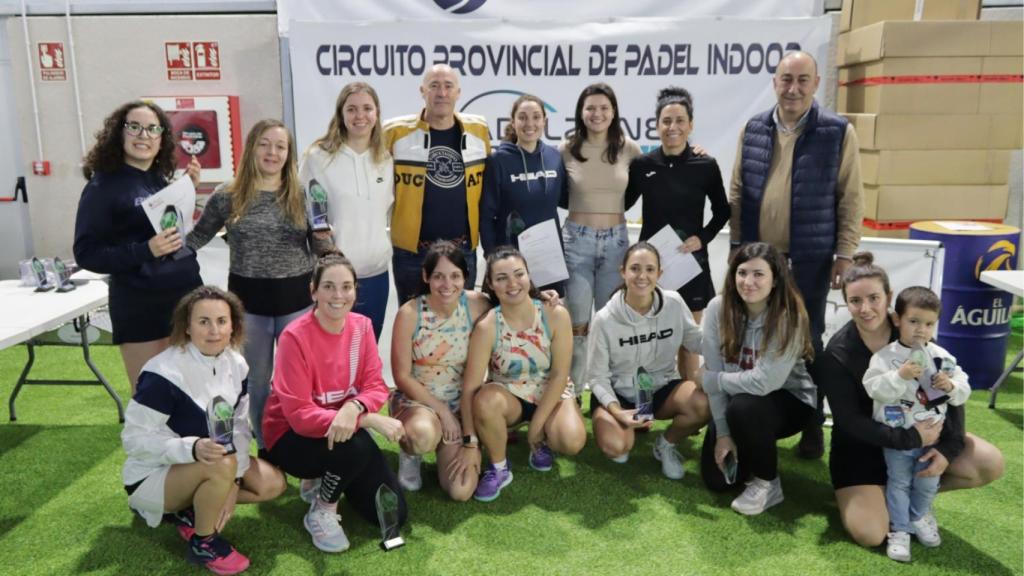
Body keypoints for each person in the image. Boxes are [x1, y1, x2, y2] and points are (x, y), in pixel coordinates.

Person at [728, 50, 864, 458]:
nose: (793, 88)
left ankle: (811, 422)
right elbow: (737, 191)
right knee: (752, 335)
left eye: (802, 80)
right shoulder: (753, 128)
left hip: (810, 258)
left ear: (816, 83)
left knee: (809, 342)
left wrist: (845, 253)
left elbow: (851, 197)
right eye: (786, 79)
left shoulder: (838, 132)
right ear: (774, 82)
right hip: (758, 258)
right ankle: (750, 411)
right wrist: (737, 248)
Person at [818, 252, 1004, 550]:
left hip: (920, 443)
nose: (865, 309)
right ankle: (885, 498)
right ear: (846, 303)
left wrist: (946, 449)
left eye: (874, 298)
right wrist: (906, 437)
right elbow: (849, 421)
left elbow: (948, 394)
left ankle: (912, 503)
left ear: (889, 297)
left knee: (988, 463)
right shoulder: (837, 353)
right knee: (870, 534)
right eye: (855, 301)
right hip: (863, 451)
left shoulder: (914, 333)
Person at [121, 286, 286, 575]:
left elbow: (238, 428)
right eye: (203, 322)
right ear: (187, 326)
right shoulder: (163, 373)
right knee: (221, 463)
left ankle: (189, 512)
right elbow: (134, 440)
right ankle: (203, 541)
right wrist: (192, 448)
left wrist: (234, 485)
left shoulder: (237, 364)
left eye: (222, 321)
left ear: (233, 324)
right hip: (152, 475)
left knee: (272, 484)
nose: (214, 331)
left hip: (208, 465)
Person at [188, 119, 328, 449]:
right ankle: (268, 446)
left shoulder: (302, 194)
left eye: (280, 146)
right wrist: (159, 254)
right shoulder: (228, 195)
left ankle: (305, 442)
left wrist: (331, 247)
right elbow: (197, 236)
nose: (272, 152)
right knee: (257, 382)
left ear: (289, 154)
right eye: (265, 144)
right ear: (252, 148)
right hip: (249, 306)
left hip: (298, 303)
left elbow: (319, 243)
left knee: (301, 380)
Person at [260, 250, 406, 554]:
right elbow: (299, 415)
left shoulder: (362, 327)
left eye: (346, 287)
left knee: (394, 514)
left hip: (342, 429)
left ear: (355, 290)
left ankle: (332, 475)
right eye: (328, 286)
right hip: (291, 437)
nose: (338, 295)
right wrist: (366, 419)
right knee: (356, 446)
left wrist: (353, 408)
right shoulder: (294, 337)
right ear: (313, 291)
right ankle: (322, 509)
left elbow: (375, 385)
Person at [74, 100, 202, 391]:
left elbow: (172, 231)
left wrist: (186, 189)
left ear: (162, 139)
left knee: (193, 394)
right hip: (141, 305)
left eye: (152, 129)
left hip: (184, 298)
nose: (143, 135)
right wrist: (146, 250)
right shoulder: (102, 188)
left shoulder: (158, 181)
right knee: (152, 399)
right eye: (134, 127)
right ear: (119, 134)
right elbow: (86, 253)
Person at [699, 242, 816, 515]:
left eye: (758, 274)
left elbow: (765, 383)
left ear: (775, 280)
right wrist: (724, 434)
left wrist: (713, 380)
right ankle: (747, 447)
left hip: (790, 402)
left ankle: (768, 482)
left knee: (745, 406)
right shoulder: (718, 308)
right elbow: (714, 371)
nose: (748, 282)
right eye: (742, 273)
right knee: (718, 481)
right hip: (737, 398)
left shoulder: (789, 315)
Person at [461, 247, 586, 502]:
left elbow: (561, 373)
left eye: (519, 274)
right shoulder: (487, 326)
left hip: (551, 390)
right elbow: (471, 388)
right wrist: (470, 441)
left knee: (572, 440)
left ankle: (540, 442)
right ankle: (499, 468)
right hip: (510, 395)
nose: (512, 283)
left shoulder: (555, 313)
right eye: (502, 278)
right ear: (491, 285)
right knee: (485, 399)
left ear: (529, 276)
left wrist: (537, 427)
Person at [625, 86, 729, 380]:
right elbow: (622, 203)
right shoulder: (642, 165)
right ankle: (644, 406)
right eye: (666, 121)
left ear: (690, 125)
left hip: (690, 264)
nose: (673, 127)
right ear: (656, 126)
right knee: (645, 339)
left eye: (680, 121)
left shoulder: (705, 165)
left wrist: (703, 237)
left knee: (689, 341)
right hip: (651, 267)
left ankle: (688, 403)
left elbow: (723, 210)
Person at [862, 286, 971, 562]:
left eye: (929, 323)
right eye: (913, 321)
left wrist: (951, 386)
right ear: (897, 320)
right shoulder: (885, 357)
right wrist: (899, 375)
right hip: (898, 438)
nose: (921, 330)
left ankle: (918, 516)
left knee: (926, 483)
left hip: (933, 440)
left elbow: (963, 391)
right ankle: (899, 530)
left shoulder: (943, 357)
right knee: (898, 482)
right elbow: (873, 389)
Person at [588, 242, 708, 479]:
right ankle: (627, 427)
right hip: (619, 394)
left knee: (704, 403)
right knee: (617, 448)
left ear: (659, 274)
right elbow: (597, 377)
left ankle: (665, 444)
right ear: (623, 271)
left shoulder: (673, 302)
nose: (642, 276)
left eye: (650, 269)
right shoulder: (604, 319)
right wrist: (617, 412)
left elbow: (696, 341)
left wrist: (729, 339)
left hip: (661, 388)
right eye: (634, 268)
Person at [390, 241, 492, 500]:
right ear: (426, 277)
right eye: (439, 276)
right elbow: (401, 376)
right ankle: (411, 452)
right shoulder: (410, 313)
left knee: (461, 490)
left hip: (462, 406)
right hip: (419, 402)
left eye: (455, 276)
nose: (448, 285)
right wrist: (442, 410)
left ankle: (451, 448)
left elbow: (517, 302)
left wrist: (546, 298)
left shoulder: (479, 306)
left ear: (466, 278)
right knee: (423, 435)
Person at [560, 83, 643, 393]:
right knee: (578, 322)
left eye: (604, 108)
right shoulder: (566, 148)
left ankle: (611, 392)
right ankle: (574, 389)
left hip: (617, 244)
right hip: (576, 243)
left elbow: (654, 170)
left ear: (614, 112)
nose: (597, 114)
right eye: (590, 108)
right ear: (581, 113)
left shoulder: (629, 148)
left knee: (612, 321)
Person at [385, 64, 491, 304]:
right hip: (412, 253)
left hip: (462, 250)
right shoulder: (394, 133)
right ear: (422, 91)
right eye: (434, 86)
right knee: (414, 328)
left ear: (458, 92)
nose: (441, 93)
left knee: (463, 327)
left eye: (448, 86)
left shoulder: (478, 129)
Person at [300, 82, 394, 341]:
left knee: (367, 348)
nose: (360, 116)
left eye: (367, 108)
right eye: (351, 109)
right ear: (341, 114)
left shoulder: (385, 160)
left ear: (377, 113)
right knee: (330, 349)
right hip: (335, 279)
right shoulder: (318, 157)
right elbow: (309, 214)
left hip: (376, 274)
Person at [480, 94, 567, 293]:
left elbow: (565, 199)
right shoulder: (498, 160)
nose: (530, 123)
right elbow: (486, 215)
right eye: (523, 117)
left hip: (548, 258)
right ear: (513, 121)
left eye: (536, 117)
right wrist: (491, 256)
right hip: (510, 260)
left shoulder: (554, 157)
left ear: (544, 121)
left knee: (546, 317)